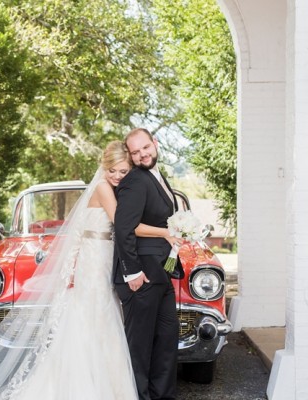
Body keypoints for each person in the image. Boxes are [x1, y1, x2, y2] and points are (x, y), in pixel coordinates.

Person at [0, 140, 179, 400]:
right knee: (97, 314)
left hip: (100, 256)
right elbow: (124, 224)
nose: (117, 176)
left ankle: (103, 380)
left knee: (102, 315)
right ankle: (91, 384)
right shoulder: (103, 188)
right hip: (96, 259)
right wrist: (167, 231)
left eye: (123, 171)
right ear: (103, 167)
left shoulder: (114, 189)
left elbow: (79, 234)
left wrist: (73, 266)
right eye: (112, 170)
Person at [113, 127, 183, 400]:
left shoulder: (156, 176)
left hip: (161, 272)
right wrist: (132, 272)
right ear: (130, 156)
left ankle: (162, 396)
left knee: (166, 340)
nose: (142, 154)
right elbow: (123, 228)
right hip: (141, 274)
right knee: (141, 348)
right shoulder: (135, 181)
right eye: (135, 152)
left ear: (155, 143)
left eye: (145, 147)